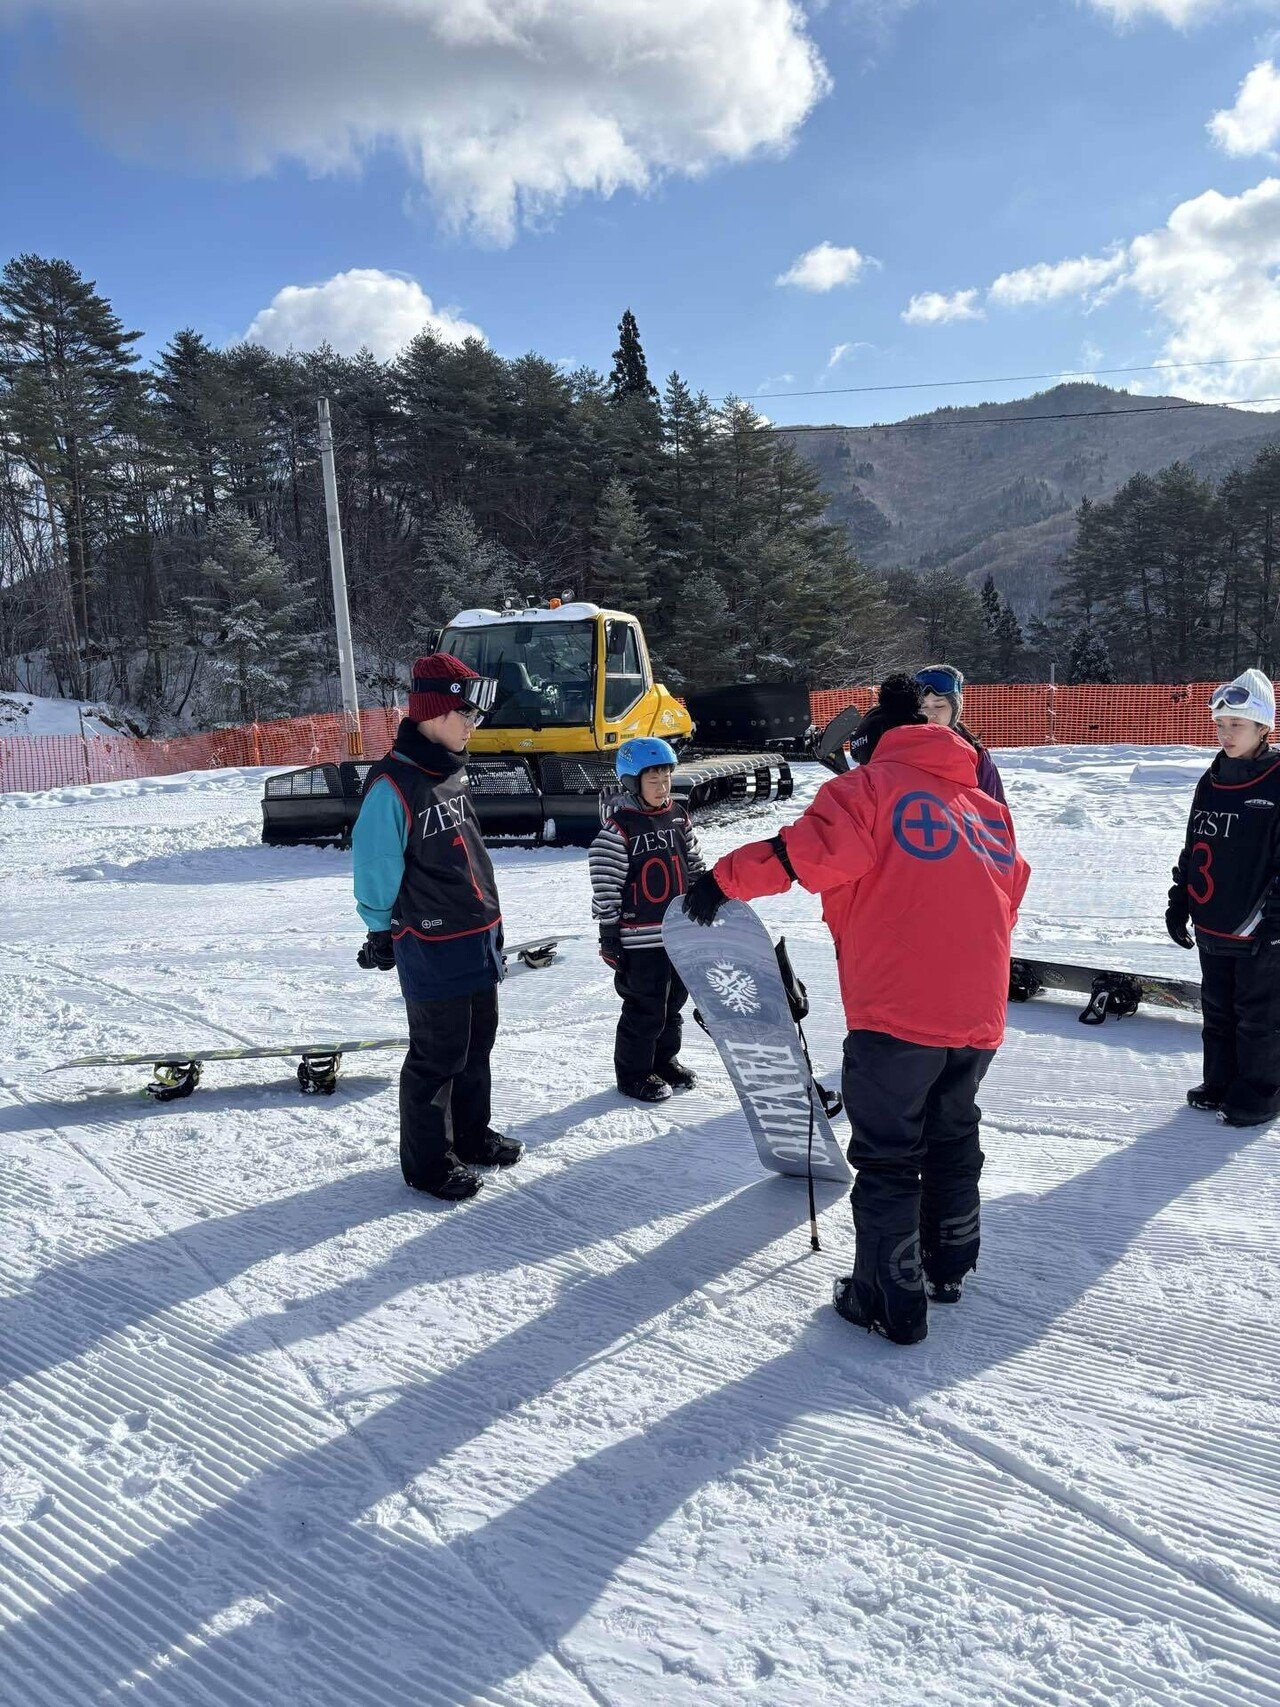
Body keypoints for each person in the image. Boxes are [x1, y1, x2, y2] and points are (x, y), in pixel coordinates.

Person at [683, 675, 1029, 1345]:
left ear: (873, 743)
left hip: (899, 1010)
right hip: (978, 1011)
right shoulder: (984, 804)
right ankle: (949, 1263)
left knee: (890, 1151)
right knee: (952, 1129)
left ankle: (888, 1296)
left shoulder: (867, 790)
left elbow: (798, 856)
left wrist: (719, 879)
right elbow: (1009, 894)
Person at [352, 652, 524, 1200]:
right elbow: (376, 863)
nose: (473, 725)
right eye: (465, 714)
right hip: (430, 940)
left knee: (478, 1043)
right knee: (438, 1055)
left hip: (476, 931)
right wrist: (380, 929)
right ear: (434, 711)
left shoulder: (452, 770)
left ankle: (470, 1136)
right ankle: (428, 1164)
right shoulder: (394, 784)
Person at [1166, 667, 1280, 1128]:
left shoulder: (1275, 781)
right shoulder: (1210, 779)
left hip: (1259, 929)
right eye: (1220, 724)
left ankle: (1260, 1092)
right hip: (1213, 920)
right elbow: (1195, 846)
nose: (1226, 733)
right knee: (1216, 1013)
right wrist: (1180, 899)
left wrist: (1275, 925)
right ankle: (1220, 1081)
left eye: (1237, 725)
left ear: (1263, 728)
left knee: (1258, 1018)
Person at [590, 736, 707, 1101]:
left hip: (677, 932)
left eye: (666, 778)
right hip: (639, 938)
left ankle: (663, 1061)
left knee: (674, 1004)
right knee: (646, 1008)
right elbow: (606, 883)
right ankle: (634, 1073)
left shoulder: (677, 816)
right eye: (653, 780)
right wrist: (609, 932)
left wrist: (706, 893)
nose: (662, 787)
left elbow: (693, 864)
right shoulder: (619, 829)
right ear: (632, 783)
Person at [914, 664, 1007, 805]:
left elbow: (994, 807)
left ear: (955, 709)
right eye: (923, 707)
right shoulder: (905, 747)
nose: (930, 714)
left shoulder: (974, 752)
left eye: (939, 706)